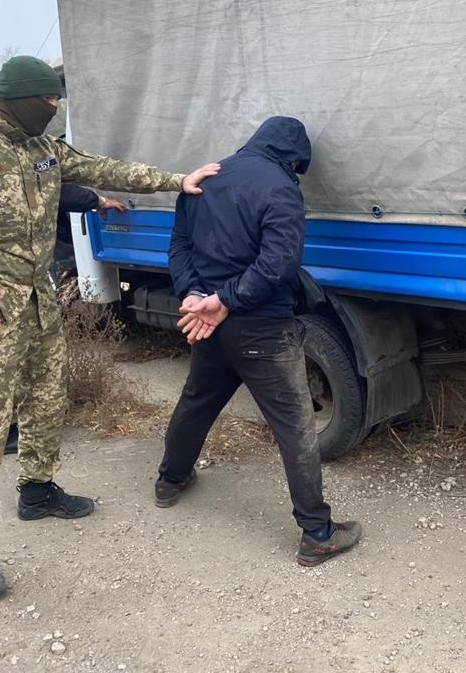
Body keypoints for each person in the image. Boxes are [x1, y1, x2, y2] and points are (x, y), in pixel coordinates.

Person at [0, 55, 220, 602]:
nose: (54, 108)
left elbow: (101, 168)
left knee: (47, 403)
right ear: (20, 98)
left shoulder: (41, 147)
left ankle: (38, 491)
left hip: (39, 302)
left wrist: (177, 181)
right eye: (49, 100)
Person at [155, 116, 362, 566]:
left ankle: (170, 481)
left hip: (210, 324)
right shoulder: (280, 187)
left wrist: (194, 295)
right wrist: (226, 300)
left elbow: (179, 246)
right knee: (295, 427)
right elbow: (278, 263)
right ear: (293, 158)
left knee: (196, 402)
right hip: (263, 328)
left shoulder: (205, 176)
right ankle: (317, 533)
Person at [2, 183, 127, 455]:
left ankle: (21, 427)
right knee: (0, 358)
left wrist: (95, 199)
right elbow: (53, 185)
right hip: (0, 281)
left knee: (22, 355)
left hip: (18, 274)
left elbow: (54, 184)